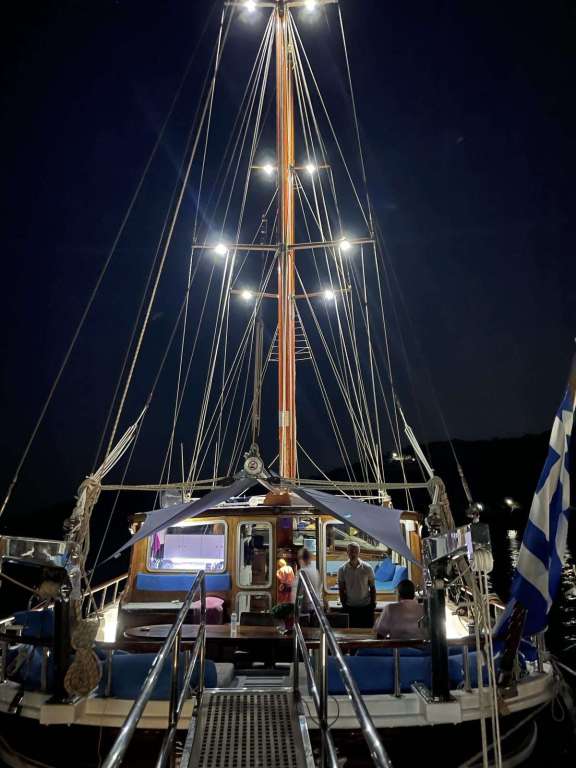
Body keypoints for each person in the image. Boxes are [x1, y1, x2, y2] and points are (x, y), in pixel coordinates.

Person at [338, 543, 376, 628]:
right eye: (351, 551)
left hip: (366, 607)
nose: (353, 554)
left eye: (356, 551)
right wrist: (344, 605)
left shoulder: (368, 568)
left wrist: (372, 604)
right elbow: (341, 589)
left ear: (359, 552)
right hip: (349, 607)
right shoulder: (342, 570)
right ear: (347, 552)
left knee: (367, 633)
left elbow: (372, 587)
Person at [292, 547, 322, 613]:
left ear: (301, 559)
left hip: (306, 609)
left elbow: (298, 593)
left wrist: (295, 608)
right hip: (316, 607)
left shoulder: (302, 572)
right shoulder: (315, 571)